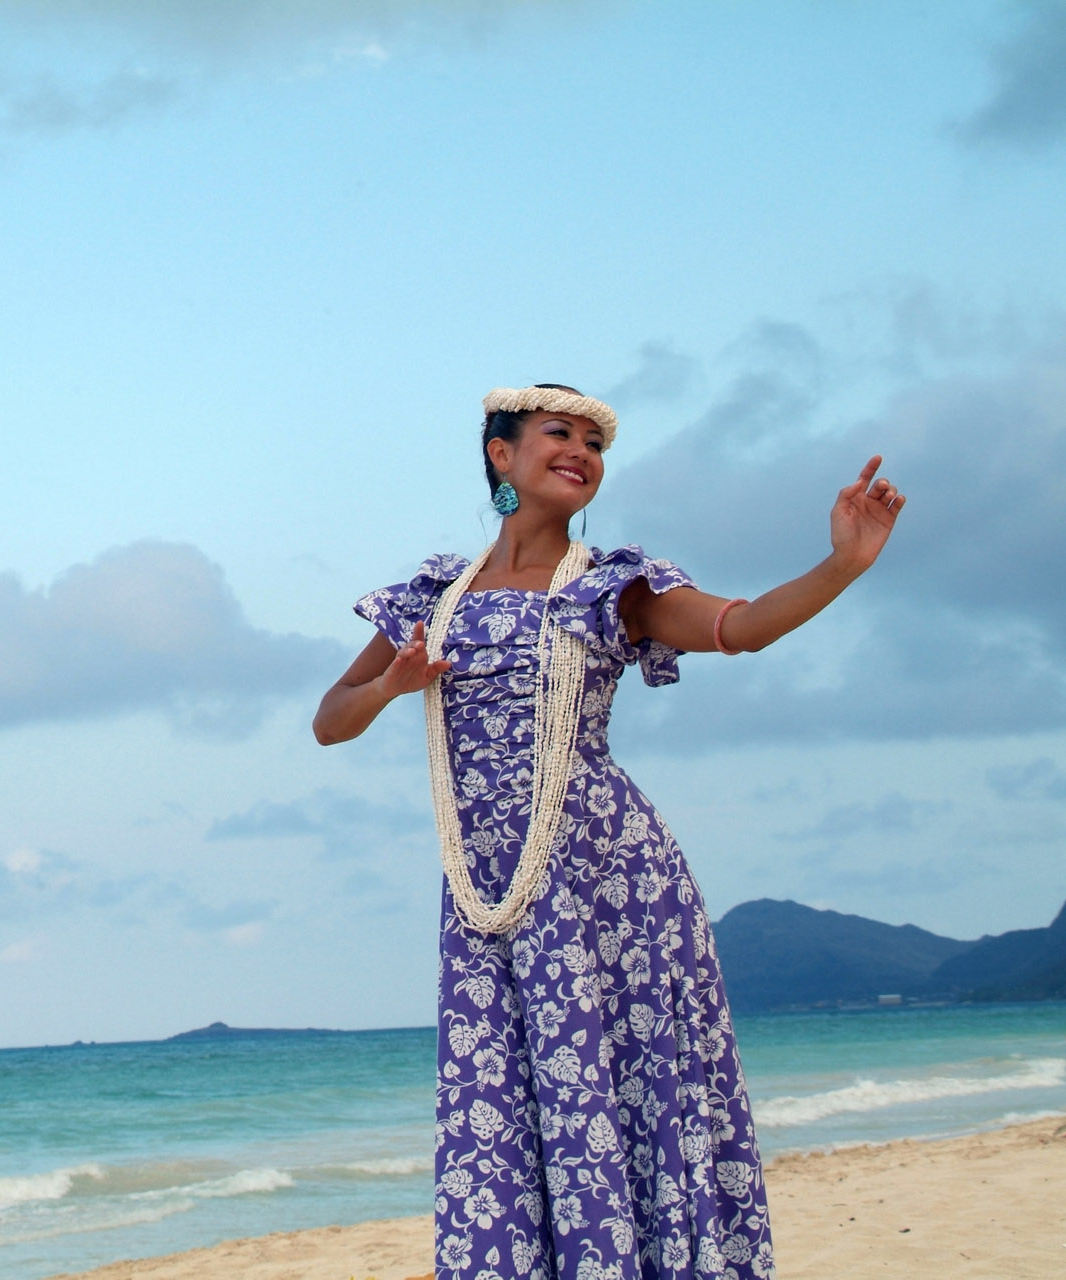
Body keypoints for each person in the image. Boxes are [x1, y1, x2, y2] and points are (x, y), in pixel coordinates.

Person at [312, 384, 904, 1280]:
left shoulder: (609, 585)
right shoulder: (431, 597)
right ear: (499, 455)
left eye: (595, 443)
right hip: (484, 891)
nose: (581, 452)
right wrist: (393, 685)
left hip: (605, 879)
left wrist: (842, 565)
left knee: (622, 1081)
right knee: (500, 1092)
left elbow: (735, 628)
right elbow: (329, 719)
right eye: (559, 434)